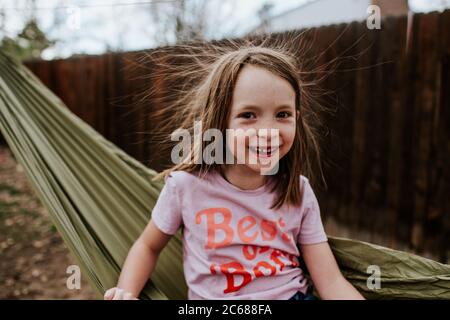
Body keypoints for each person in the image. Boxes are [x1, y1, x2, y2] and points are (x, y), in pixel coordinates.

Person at [104, 45, 365, 300]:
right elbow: (147, 246)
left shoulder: (297, 191)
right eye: (249, 115)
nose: (267, 131)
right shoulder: (186, 188)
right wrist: (127, 291)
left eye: (282, 114)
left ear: (296, 118)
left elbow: (330, 281)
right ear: (221, 121)